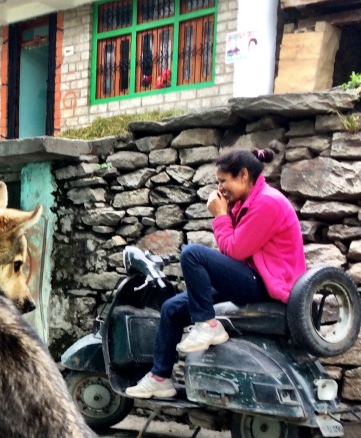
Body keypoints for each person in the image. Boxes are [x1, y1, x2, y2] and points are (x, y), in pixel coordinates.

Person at [126, 148, 306, 399]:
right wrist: (228, 211)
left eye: (223, 181)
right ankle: (160, 378)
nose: (220, 188)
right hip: (253, 276)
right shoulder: (247, 202)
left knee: (193, 254)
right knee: (172, 308)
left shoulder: (268, 202)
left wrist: (221, 215)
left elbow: (234, 251)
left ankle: (208, 325)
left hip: (269, 284)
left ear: (243, 175)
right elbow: (236, 251)